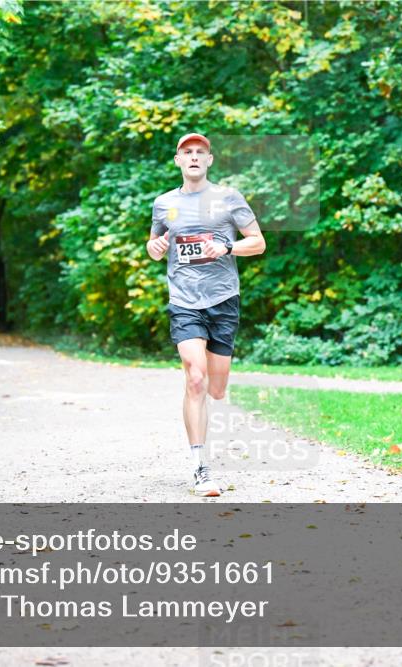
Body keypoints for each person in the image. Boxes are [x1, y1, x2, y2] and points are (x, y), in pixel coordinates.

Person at [147, 133, 266, 497]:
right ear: (178, 160)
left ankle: (213, 394)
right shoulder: (164, 204)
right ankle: (200, 468)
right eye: (188, 153)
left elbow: (258, 242)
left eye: (200, 152)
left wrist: (227, 245)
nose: (194, 157)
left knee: (216, 388)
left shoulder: (228, 198)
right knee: (194, 378)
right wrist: (155, 246)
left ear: (210, 160)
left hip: (223, 299)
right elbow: (154, 248)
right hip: (184, 300)